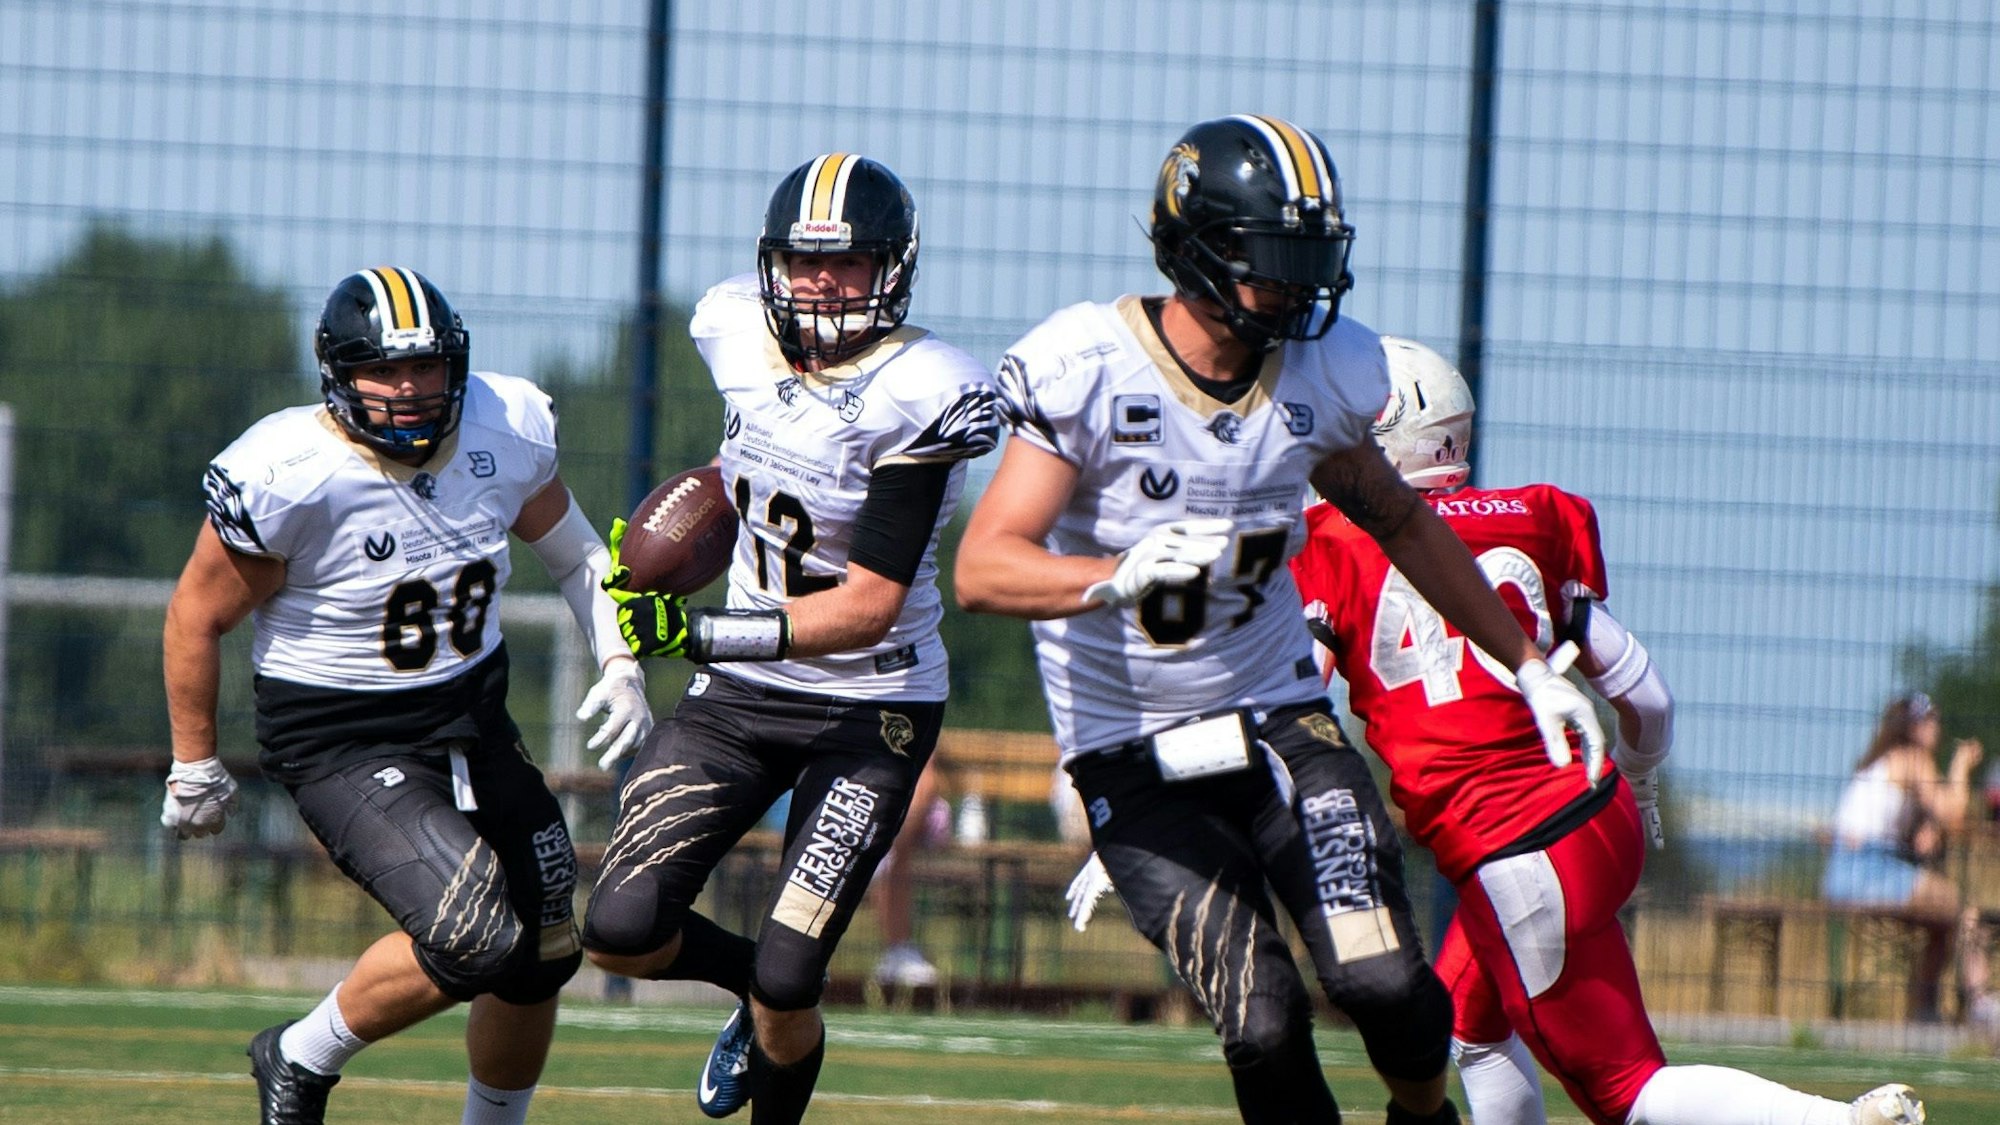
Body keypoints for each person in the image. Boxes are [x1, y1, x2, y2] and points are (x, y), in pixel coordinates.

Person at [953, 114, 1606, 1125]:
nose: (1302, 287)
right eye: (1275, 260)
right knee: (1258, 1022)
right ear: (1201, 252)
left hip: (1278, 725)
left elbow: (1399, 519)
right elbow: (983, 567)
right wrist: (1113, 575)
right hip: (1131, 754)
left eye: (1313, 258)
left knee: (1383, 982)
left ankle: (1422, 1117)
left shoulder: (1318, 370)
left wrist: (1524, 661)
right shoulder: (1087, 365)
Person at [1279, 337, 1925, 1125]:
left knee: (1628, 1093)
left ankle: (1834, 1121)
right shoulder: (1532, 518)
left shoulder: (1333, 544)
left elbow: (1290, 701)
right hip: (1599, 811)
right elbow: (1648, 698)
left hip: (1513, 852)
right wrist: (1641, 781)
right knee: (1473, 1022)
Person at [161, 266, 653, 1125]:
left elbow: (577, 555)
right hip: (343, 737)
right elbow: (195, 616)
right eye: (384, 370)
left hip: (471, 716)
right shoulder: (291, 472)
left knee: (543, 946)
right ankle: (299, 1054)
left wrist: (620, 660)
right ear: (337, 374)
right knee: (471, 935)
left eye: (426, 367)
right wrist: (194, 763)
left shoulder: (505, 428)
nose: (409, 389)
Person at [579, 153, 1001, 1123]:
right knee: (618, 927)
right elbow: (745, 469)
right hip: (743, 704)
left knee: (787, 975)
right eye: (804, 261)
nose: (821, 282)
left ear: (891, 270)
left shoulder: (923, 391)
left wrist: (695, 630)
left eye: (847, 263)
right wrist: (678, 531)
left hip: (871, 706)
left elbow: (867, 605)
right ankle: (745, 995)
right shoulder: (733, 328)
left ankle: (770, 1038)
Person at [1824, 691, 1990, 1022]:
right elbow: (1953, 813)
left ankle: (1924, 1012)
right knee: (1961, 908)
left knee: (1942, 921)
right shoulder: (1912, 759)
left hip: (1840, 873)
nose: (1935, 726)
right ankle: (1982, 1004)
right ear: (1912, 727)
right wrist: (1960, 766)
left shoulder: (1882, 760)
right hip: (1869, 869)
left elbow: (1922, 828)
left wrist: (1928, 827)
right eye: (1929, 720)